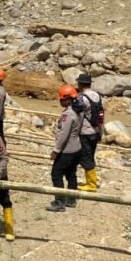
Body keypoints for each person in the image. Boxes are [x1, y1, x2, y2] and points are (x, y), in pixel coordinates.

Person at [47, 84, 82, 212]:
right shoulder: (79, 111)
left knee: (56, 174)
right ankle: (71, 199)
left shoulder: (68, 115)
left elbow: (64, 135)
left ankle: (59, 202)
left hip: (67, 150)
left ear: (68, 99)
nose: (60, 101)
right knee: (71, 174)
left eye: (62, 99)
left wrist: (56, 150)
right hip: (76, 148)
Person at [75, 73, 104, 192]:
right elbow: (101, 114)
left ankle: (91, 184)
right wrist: (101, 132)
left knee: (86, 157)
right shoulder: (97, 96)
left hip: (85, 132)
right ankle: (92, 180)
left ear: (81, 84)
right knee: (91, 155)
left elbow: (78, 116)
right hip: (95, 131)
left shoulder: (82, 97)